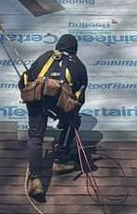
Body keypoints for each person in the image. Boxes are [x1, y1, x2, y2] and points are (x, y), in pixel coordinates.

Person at [20, 33, 87, 197]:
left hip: (37, 100)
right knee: (74, 121)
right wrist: (68, 118)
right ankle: (61, 159)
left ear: (58, 46)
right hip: (59, 103)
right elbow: (79, 98)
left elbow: (25, 80)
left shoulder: (46, 57)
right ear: (74, 49)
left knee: (36, 138)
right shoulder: (78, 65)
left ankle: (35, 180)